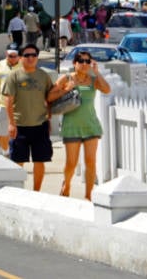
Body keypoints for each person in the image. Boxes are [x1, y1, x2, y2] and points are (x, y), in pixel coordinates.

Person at [51, 52, 111, 200]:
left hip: (91, 126)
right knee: (71, 163)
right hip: (71, 126)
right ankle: (67, 184)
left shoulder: (92, 80)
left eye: (87, 61)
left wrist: (97, 73)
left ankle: (89, 196)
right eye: (80, 60)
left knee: (90, 162)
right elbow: (49, 97)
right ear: (74, 63)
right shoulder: (66, 78)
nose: (84, 64)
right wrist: (66, 89)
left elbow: (107, 89)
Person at [1, 43, 56, 190]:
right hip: (20, 126)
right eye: (27, 55)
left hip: (40, 125)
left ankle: (36, 191)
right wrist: (11, 123)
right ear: (20, 58)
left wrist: (49, 118)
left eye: (34, 55)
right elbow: (8, 100)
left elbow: (50, 97)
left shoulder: (44, 76)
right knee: (18, 161)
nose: (31, 58)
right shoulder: (14, 76)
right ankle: (18, 191)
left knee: (40, 160)